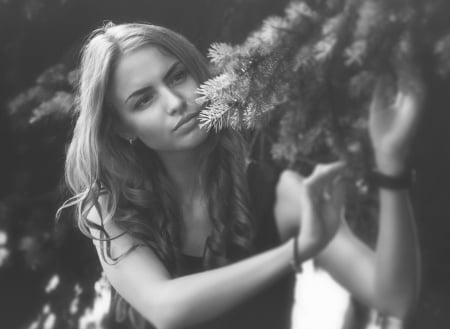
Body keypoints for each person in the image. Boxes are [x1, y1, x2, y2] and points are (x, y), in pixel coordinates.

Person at [58, 22, 422, 329]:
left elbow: (395, 298)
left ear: (198, 74)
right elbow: (165, 307)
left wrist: (391, 163)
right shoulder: (110, 207)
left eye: (177, 76)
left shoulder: (283, 195)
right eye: (143, 100)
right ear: (123, 128)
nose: (174, 102)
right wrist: (295, 252)